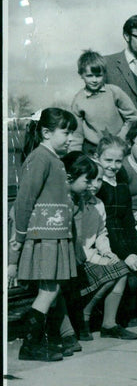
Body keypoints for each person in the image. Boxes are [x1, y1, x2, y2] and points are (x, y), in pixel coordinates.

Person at [8, 108, 79, 361]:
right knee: (49, 290)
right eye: (66, 132)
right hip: (43, 236)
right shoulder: (40, 158)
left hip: (56, 235)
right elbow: (24, 200)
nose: (70, 137)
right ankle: (30, 346)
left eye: (72, 132)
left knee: (53, 289)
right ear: (46, 133)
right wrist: (19, 236)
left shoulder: (54, 159)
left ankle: (44, 340)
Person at [65, 153, 137, 341]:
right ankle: (84, 318)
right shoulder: (74, 204)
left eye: (99, 180)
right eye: (91, 180)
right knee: (110, 273)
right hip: (79, 258)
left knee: (121, 268)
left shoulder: (98, 204)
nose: (95, 185)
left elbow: (101, 233)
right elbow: (77, 240)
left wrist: (107, 252)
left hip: (93, 254)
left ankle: (109, 323)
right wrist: (96, 257)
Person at [93, 135, 137, 327]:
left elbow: (127, 219)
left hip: (123, 237)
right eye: (108, 160)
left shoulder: (120, 182)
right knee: (126, 268)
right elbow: (108, 225)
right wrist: (126, 253)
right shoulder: (98, 186)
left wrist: (134, 247)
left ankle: (134, 307)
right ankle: (117, 313)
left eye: (118, 161)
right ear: (97, 157)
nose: (113, 166)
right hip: (104, 240)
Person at [70, 50, 137, 154]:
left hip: (120, 145)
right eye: (89, 76)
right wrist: (75, 154)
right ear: (81, 74)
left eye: (98, 75)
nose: (94, 80)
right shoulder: (78, 100)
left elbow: (133, 117)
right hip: (93, 149)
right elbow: (77, 133)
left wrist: (121, 138)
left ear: (104, 74)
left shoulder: (114, 92)